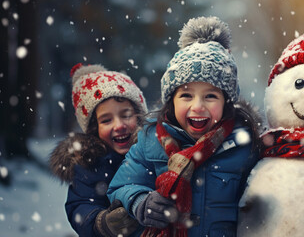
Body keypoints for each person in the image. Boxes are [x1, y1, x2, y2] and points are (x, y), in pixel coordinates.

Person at [107, 16, 261, 237]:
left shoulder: (244, 145)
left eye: (210, 96)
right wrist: (140, 201)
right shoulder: (150, 140)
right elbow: (120, 187)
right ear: (172, 100)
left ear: (226, 102)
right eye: (186, 95)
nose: (197, 106)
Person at [49, 63, 148, 237]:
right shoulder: (90, 164)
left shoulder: (154, 153)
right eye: (106, 120)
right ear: (94, 129)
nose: (119, 125)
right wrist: (101, 223)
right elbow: (80, 206)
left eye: (126, 115)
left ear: (139, 117)